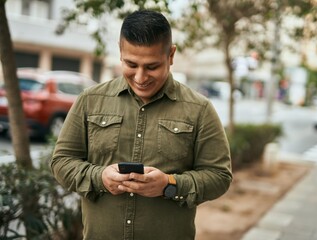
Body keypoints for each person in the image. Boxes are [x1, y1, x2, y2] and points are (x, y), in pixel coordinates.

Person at [50, 9, 232, 240]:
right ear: (120, 51)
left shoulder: (200, 109)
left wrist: (169, 184)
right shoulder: (90, 100)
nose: (140, 77)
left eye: (152, 66)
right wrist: (100, 177)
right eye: (131, 64)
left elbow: (219, 176)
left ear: (171, 55)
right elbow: (61, 161)